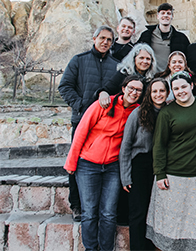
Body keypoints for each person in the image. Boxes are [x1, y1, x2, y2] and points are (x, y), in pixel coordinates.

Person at [64, 75, 143, 251]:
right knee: (90, 212)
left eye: (138, 90)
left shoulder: (137, 111)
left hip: (113, 166)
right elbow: (81, 132)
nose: (134, 92)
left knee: (108, 213)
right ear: (123, 88)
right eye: (131, 88)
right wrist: (71, 162)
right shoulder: (104, 104)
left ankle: (107, 248)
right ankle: (91, 248)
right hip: (88, 163)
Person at [146, 71, 196, 250]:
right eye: (176, 88)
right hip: (174, 176)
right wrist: (160, 173)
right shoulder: (167, 113)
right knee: (173, 225)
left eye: (184, 86)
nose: (180, 91)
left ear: (191, 86)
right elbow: (159, 145)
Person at [58, 25, 119, 222]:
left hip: (106, 124)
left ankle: (101, 206)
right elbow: (65, 86)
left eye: (109, 40)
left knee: (104, 165)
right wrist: (80, 106)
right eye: (102, 38)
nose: (105, 42)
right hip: (82, 120)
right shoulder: (79, 60)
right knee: (76, 162)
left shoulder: (116, 65)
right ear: (94, 38)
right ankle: (76, 204)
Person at [119, 77, 169, 251]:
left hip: (162, 165)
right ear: (149, 93)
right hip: (140, 164)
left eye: (162, 91)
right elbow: (125, 146)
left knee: (154, 212)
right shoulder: (139, 113)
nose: (158, 94)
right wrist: (125, 176)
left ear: (167, 93)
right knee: (139, 212)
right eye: (154, 91)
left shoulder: (170, 112)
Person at [97, 43, 157, 109]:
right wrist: (103, 94)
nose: (145, 61)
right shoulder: (123, 74)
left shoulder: (152, 79)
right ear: (134, 59)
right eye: (141, 58)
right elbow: (107, 89)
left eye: (148, 59)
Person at [137, 2, 190, 72]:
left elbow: (188, 59)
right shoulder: (146, 36)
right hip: (150, 77)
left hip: (172, 77)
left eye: (168, 13)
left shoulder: (181, 38)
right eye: (163, 13)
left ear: (172, 17)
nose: (165, 15)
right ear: (157, 16)